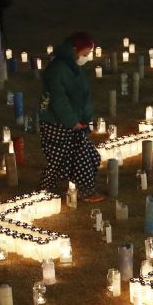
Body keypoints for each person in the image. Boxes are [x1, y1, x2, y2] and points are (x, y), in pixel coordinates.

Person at [40, 31, 103, 202]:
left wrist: (84, 118)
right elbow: (58, 99)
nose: (87, 57)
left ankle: (47, 187)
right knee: (74, 158)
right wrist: (72, 121)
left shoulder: (73, 66)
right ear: (75, 49)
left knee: (85, 157)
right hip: (57, 124)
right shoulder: (58, 69)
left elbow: (81, 94)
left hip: (75, 123)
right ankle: (86, 191)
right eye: (86, 53)